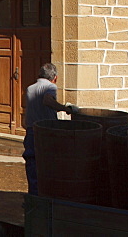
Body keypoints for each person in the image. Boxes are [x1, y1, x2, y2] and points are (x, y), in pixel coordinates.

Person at [23, 62, 78, 195]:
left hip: (31, 131)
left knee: (32, 164)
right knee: (48, 165)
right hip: (46, 132)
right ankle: (46, 197)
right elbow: (47, 101)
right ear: (55, 78)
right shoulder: (50, 87)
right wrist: (65, 109)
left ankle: (34, 196)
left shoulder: (30, 88)